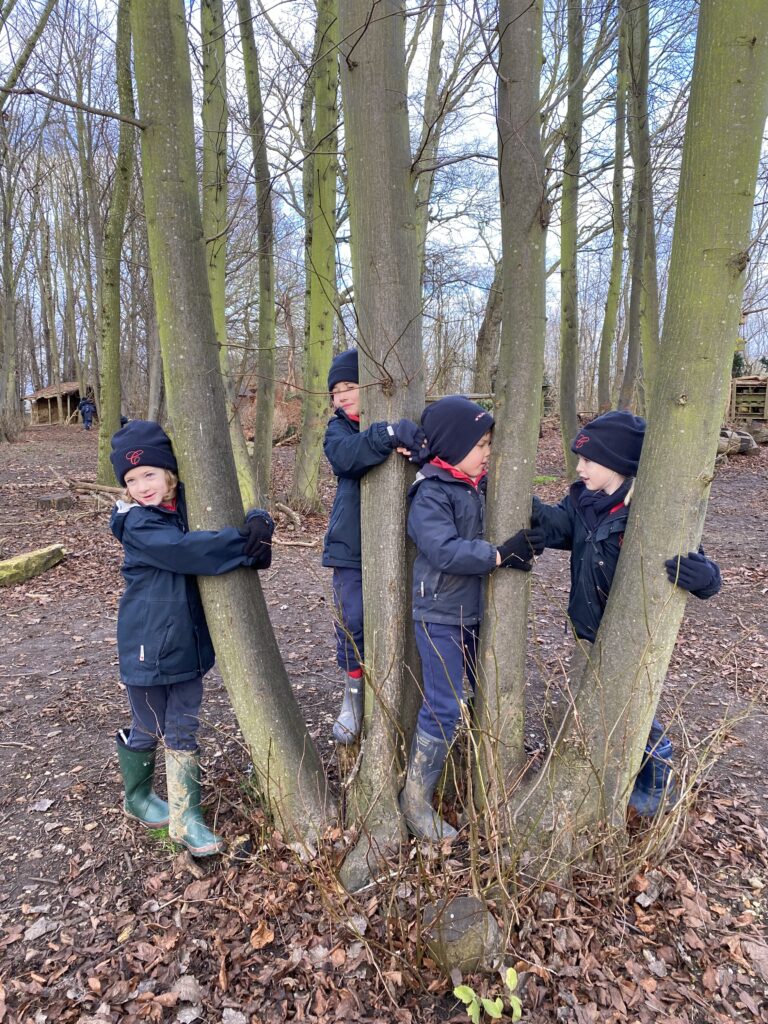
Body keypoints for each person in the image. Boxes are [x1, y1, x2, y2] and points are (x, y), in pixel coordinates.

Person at [528, 410, 722, 814]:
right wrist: (516, 500)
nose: (578, 467)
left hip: (630, 635)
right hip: (587, 626)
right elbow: (554, 526)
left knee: (635, 710)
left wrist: (704, 576)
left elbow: (699, 568)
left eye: (587, 460)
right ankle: (608, 771)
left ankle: (657, 778)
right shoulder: (582, 503)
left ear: (617, 464)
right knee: (595, 703)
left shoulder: (647, 513)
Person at [109, 420, 274, 856]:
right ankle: (139, 797)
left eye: (149, 473)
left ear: (169, 472)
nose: (142, 485)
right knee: (149, 724)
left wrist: (257, 520)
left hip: (186, 642)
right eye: (131, 479)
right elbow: (189, 551)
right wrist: (244, 543)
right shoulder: (139, 525)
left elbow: (205, 533)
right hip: (146, 643)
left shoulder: (183, 507)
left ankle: (186, 818)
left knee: (183, 725)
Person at [400, 396, 544, 840]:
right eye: (479, 443)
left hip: (476, 614)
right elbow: (442, 549)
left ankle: (482, 778)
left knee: (488, 693)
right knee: (443, 706)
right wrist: (498, 555)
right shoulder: (432, 491)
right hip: (440, 614)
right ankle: (415, 800)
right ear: (451, 445)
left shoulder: (479, 485)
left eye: (488, 443)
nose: (487, 452)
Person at [322, 348, 425, 743]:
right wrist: (386, 435)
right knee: (353, 618)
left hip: (407, 543)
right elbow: (347, 457)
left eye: (350, 386)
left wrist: (412, 440)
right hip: (350, 546)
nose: (342, 396)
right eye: (336, 391)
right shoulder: (339, 431)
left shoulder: (404, 420)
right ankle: (353, 694)